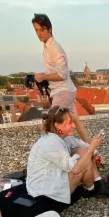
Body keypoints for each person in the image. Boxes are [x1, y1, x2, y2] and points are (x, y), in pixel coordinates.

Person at [26, 105, 109, 212]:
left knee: (83, 151)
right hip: (46, 192)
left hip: (51, 181)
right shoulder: (51, 143)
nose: (74, 125)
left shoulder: (61, 138)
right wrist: (91, 151)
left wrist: (95, 154)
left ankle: (97, 185)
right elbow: (74, 170)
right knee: (84, 159)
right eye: (70, 123)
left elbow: (82, 145)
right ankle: (92, 190)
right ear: (57, 126)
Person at [31, 13, 90, 144]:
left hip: (63, 91)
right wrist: (43, 79)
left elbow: (62, 74)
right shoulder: (47, 47)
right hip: (64, 90)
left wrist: (43, 76)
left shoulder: (54, 48)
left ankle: (53, 153)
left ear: (50, 29)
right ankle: (91, 150)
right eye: (36, 30)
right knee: (75, 119)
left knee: (51, 123)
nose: (39, 33)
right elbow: (56, 73)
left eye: (42, 29)